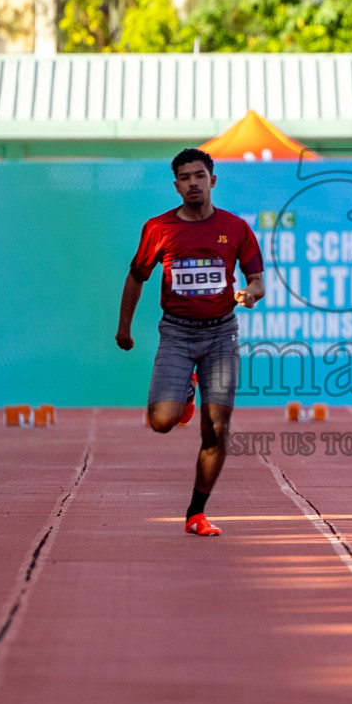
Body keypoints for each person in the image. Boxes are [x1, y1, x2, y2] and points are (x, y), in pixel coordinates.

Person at [116, 148, 265, 536]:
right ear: (176, 185)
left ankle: (196, 512)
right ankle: (184, 393)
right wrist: (124, 328)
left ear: (212, 180)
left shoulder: (236, 228)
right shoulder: (159, 228)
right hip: (177, 333)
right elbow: (136, 277)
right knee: (162, 422)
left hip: (221, 334)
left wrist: (250, 293)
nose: (193, 183)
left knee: (216, 427)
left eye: (200, 176)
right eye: (185, 177)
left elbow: (257, 281)